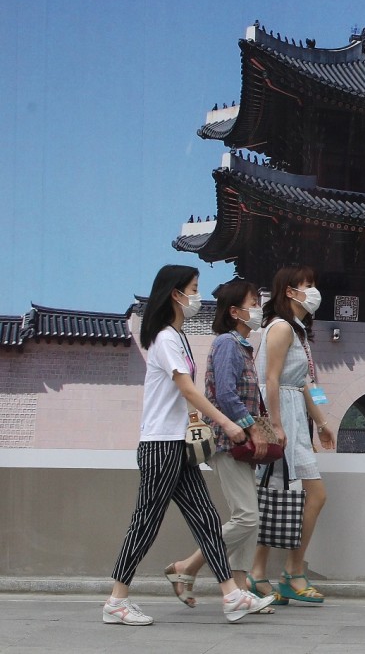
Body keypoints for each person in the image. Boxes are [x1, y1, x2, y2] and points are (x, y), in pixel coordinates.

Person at [104, 265, 276, 625]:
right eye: (193, 289)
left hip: (176, 446)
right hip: (159, 445)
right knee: (146, 523)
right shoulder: (166, 338)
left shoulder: (178, 337)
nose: (198, 296)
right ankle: (117, 600)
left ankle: (231, 595)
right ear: (175, 294)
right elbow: (187, 389)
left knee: (207, 520)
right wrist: (228, 423)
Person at [164, 279, 283, 613]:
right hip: (227, 440)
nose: (258, 309)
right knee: (246, 517)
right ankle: (186, 567)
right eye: (253, 303)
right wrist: (253, 430)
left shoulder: (242, 346)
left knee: (251, 518)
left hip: (240, 441)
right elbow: (227, 395)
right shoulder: (227, 344)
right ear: (235, 311)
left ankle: (241, 591)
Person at [251, 266, 336, 604]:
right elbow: (271, 380)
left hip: (294, 419)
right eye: (308, 285)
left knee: (274, 496)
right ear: (289, 291)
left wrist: (322, 419)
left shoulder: (297, 332)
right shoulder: (282, 328)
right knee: (308, 495)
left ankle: (262, 573)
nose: (313, 292)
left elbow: (306, 383)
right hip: (282, 418)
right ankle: (290, 571)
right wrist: (276, 425)